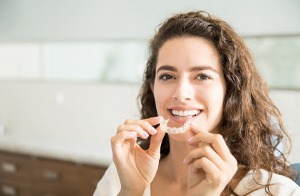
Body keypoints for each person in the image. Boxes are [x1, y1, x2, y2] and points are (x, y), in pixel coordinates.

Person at [94, 11, 300, 195]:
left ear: (231, 90)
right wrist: (131, 191)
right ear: (152, 86)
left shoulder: (278, 192)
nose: (181, 93)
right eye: (167, 76)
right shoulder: (121, 176)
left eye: (202, 76)